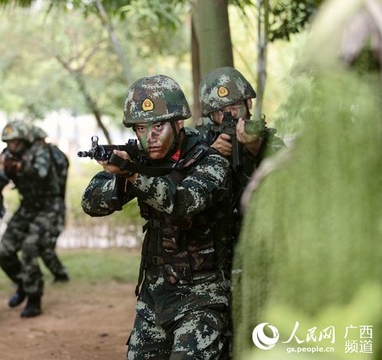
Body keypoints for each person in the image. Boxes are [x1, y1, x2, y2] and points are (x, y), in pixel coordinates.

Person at [82, 75, 236, 359]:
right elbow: (91, 203)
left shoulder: (211, 162)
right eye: (141, 128)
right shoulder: (139, 161)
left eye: (158, 126)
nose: (149, 137)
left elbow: (182, 202)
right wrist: (121, 178)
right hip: (154, 300)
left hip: (201, 299)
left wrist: (131, 173)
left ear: (178, 123)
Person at [0, 121, 69, 318]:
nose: (11, 146)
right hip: (27, 206)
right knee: (4, 250)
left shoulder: (41, 151)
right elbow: (1, 177)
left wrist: (19, 166)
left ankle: (34, 297)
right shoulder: (9, 154)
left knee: (30, 248)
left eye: (15, 142)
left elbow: (41, 173)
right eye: (8, 142)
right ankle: (22, 284)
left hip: (48, 208)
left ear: (24, 140)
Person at [197, 66, 286, 209]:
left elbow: (289, 170)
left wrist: (256, 146)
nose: (230, 114)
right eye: (220, 111)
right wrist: (211, 154)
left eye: (235, 105)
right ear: (211, 115)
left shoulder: (265, 137)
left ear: (248, 103)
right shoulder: (201, 140)